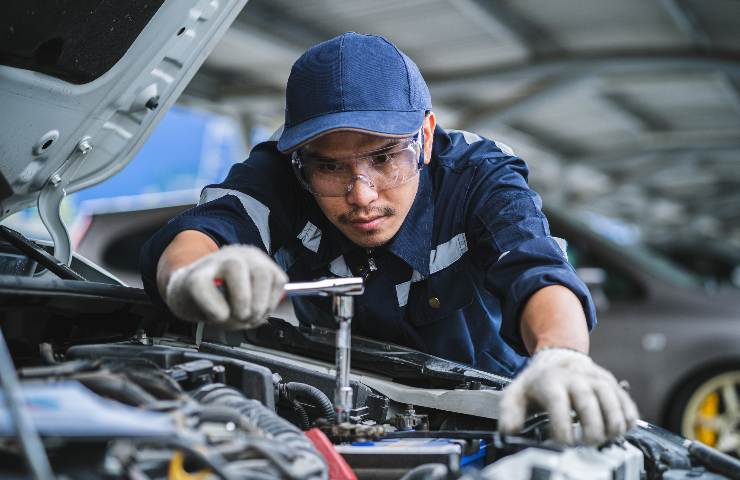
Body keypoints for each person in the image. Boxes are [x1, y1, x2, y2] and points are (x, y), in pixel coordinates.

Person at [140, 32, 638, 445]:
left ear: (425, 134)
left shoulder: (479, 175)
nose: (361, 195)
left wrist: (562, 354)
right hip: (336, 417)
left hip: (492, 421)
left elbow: (538, 269)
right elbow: (207, 229)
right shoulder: (282, 173)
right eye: (331, 166)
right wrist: (190, 274)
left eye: (383, 158)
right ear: (301, 158)